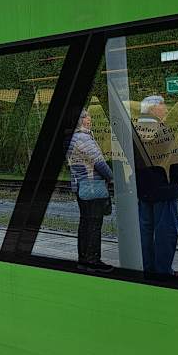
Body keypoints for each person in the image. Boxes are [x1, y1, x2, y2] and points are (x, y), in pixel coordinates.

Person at [135, 95, 178, 280]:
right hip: (164, 188)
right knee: (165, 232)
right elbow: (173, 159)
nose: (166, 109)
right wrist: (177, 181)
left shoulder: (136, 130)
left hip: (143, 188)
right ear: (153, 108)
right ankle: (163, 271)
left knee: (145, 230)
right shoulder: (162, 130)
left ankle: (148, 268)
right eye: (163, 105)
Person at [67, 110, 114, 273]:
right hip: (92, 186)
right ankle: (93, 260)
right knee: (94, 224)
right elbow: (99, 162)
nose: (90, 120)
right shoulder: (83, 138)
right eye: (87, 118)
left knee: (85, 223)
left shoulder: (71, 138)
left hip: (80, 186)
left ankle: (83, 259)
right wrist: (111, 177)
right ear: (80, 121)